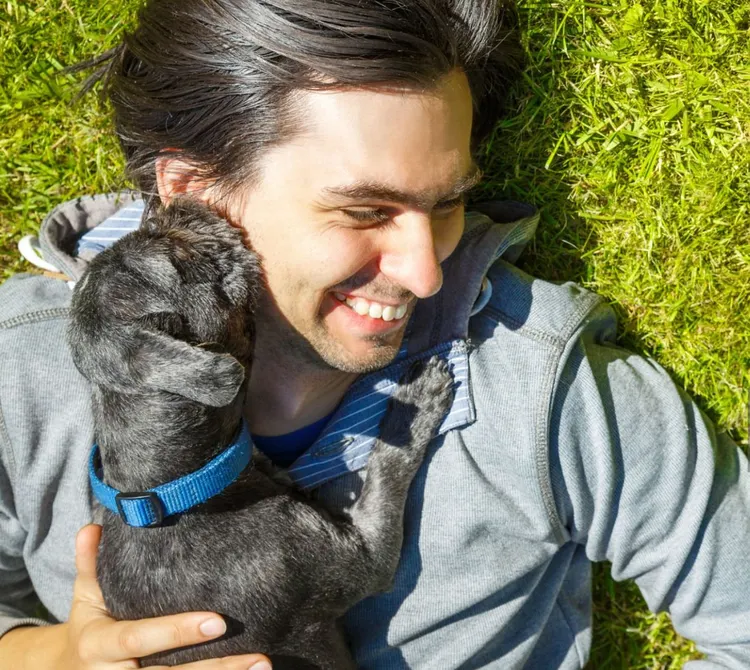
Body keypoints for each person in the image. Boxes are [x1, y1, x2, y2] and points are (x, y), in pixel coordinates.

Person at [1, 0, 749, 668]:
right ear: (193, 194)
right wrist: (50, 658)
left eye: (449, 204)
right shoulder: (19, 370)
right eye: (365, 212)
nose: (425, 273)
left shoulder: (543, 392)